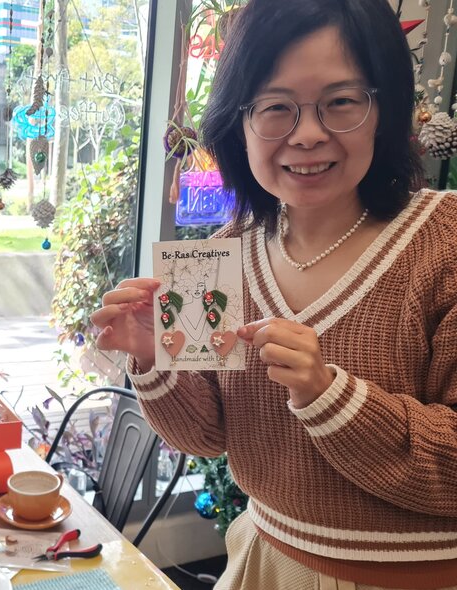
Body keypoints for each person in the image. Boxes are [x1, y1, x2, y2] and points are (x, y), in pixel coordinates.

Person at [92, 0, 457, 588]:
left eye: (341, 101)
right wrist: (150, 356)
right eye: (275, 108)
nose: (308, 134)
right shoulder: (225, 252)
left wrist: (329, 395)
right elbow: (209, 434)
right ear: (239, 124)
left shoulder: (444, 243)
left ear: (383, 109)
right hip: (264, 566)